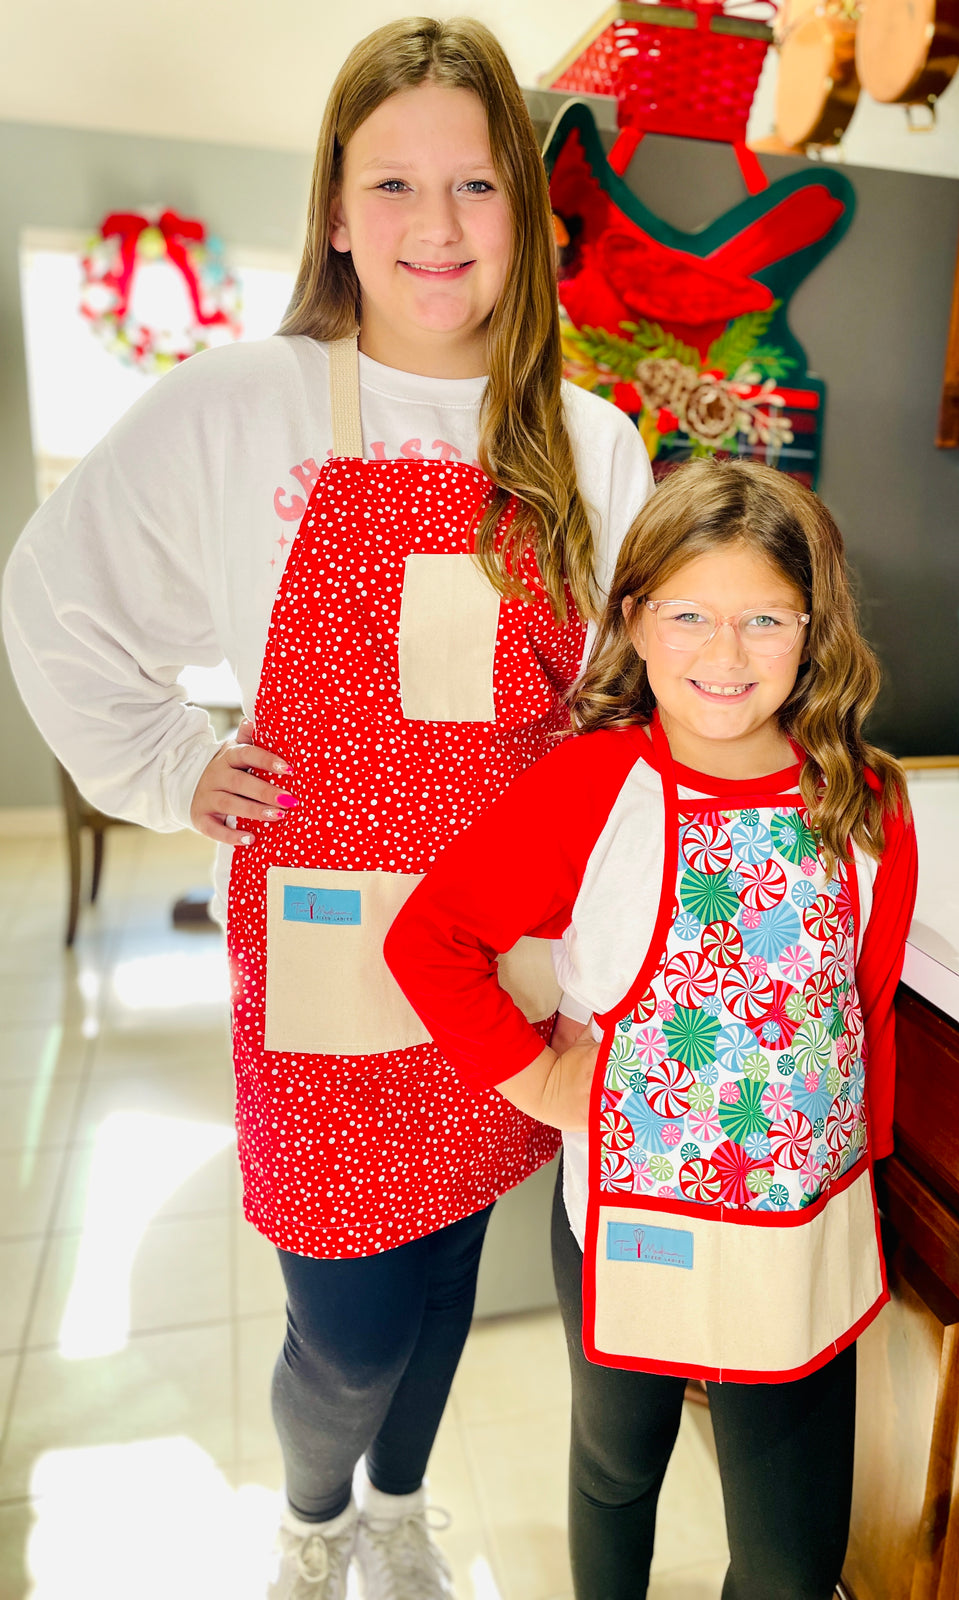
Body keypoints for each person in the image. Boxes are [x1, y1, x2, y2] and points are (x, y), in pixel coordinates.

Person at [2, 17, 653, 1600]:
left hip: (500, 968)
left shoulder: (590, 442)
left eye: (480, 184)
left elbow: (628, 716)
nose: (439, 226)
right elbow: (55, 600)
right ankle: (312, 1514)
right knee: (345, 1324)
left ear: (530, 218)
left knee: (445, 1272)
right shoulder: (245, 406)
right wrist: (168, 760)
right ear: (339, 209)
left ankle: (403, 1506)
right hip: (322, 972)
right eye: (397, 183)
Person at [388, 457, 919, 1599]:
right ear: (633, 620)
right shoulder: (591, 787)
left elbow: (862, 1009)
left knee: (791, 1558)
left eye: (765, 619)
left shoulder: (865, 798)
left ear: (814, 627)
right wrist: (536, 1084)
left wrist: (862, 1173)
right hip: (633, 1225)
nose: (724, 657)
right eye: (689, 615)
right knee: (618, 1464)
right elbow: (427, 939)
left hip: (800, 1227)